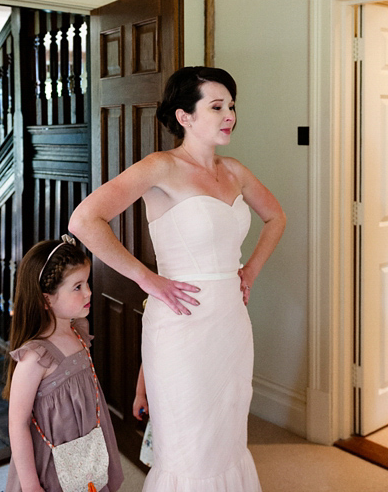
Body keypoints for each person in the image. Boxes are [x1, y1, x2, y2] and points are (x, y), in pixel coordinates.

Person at [70, 66, 286, 491]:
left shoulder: (235, 171)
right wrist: (146, 279)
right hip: (181, 327)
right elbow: (85, 220)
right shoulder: (161, 167)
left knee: (226, 437)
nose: (230, 115)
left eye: (232, 106)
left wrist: (251, 270)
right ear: (185, 116)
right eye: (217, 106)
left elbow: (276, 216)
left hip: (230, 322)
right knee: (190, 447)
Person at [3, 236, 124, 492]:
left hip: (86, 452)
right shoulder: (36, 357)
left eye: (87, 283)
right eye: (77, 287)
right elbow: (18, 423)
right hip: (54, 461)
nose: (89, 292)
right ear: (46, 299)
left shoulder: (78, 331)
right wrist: (31, 486)